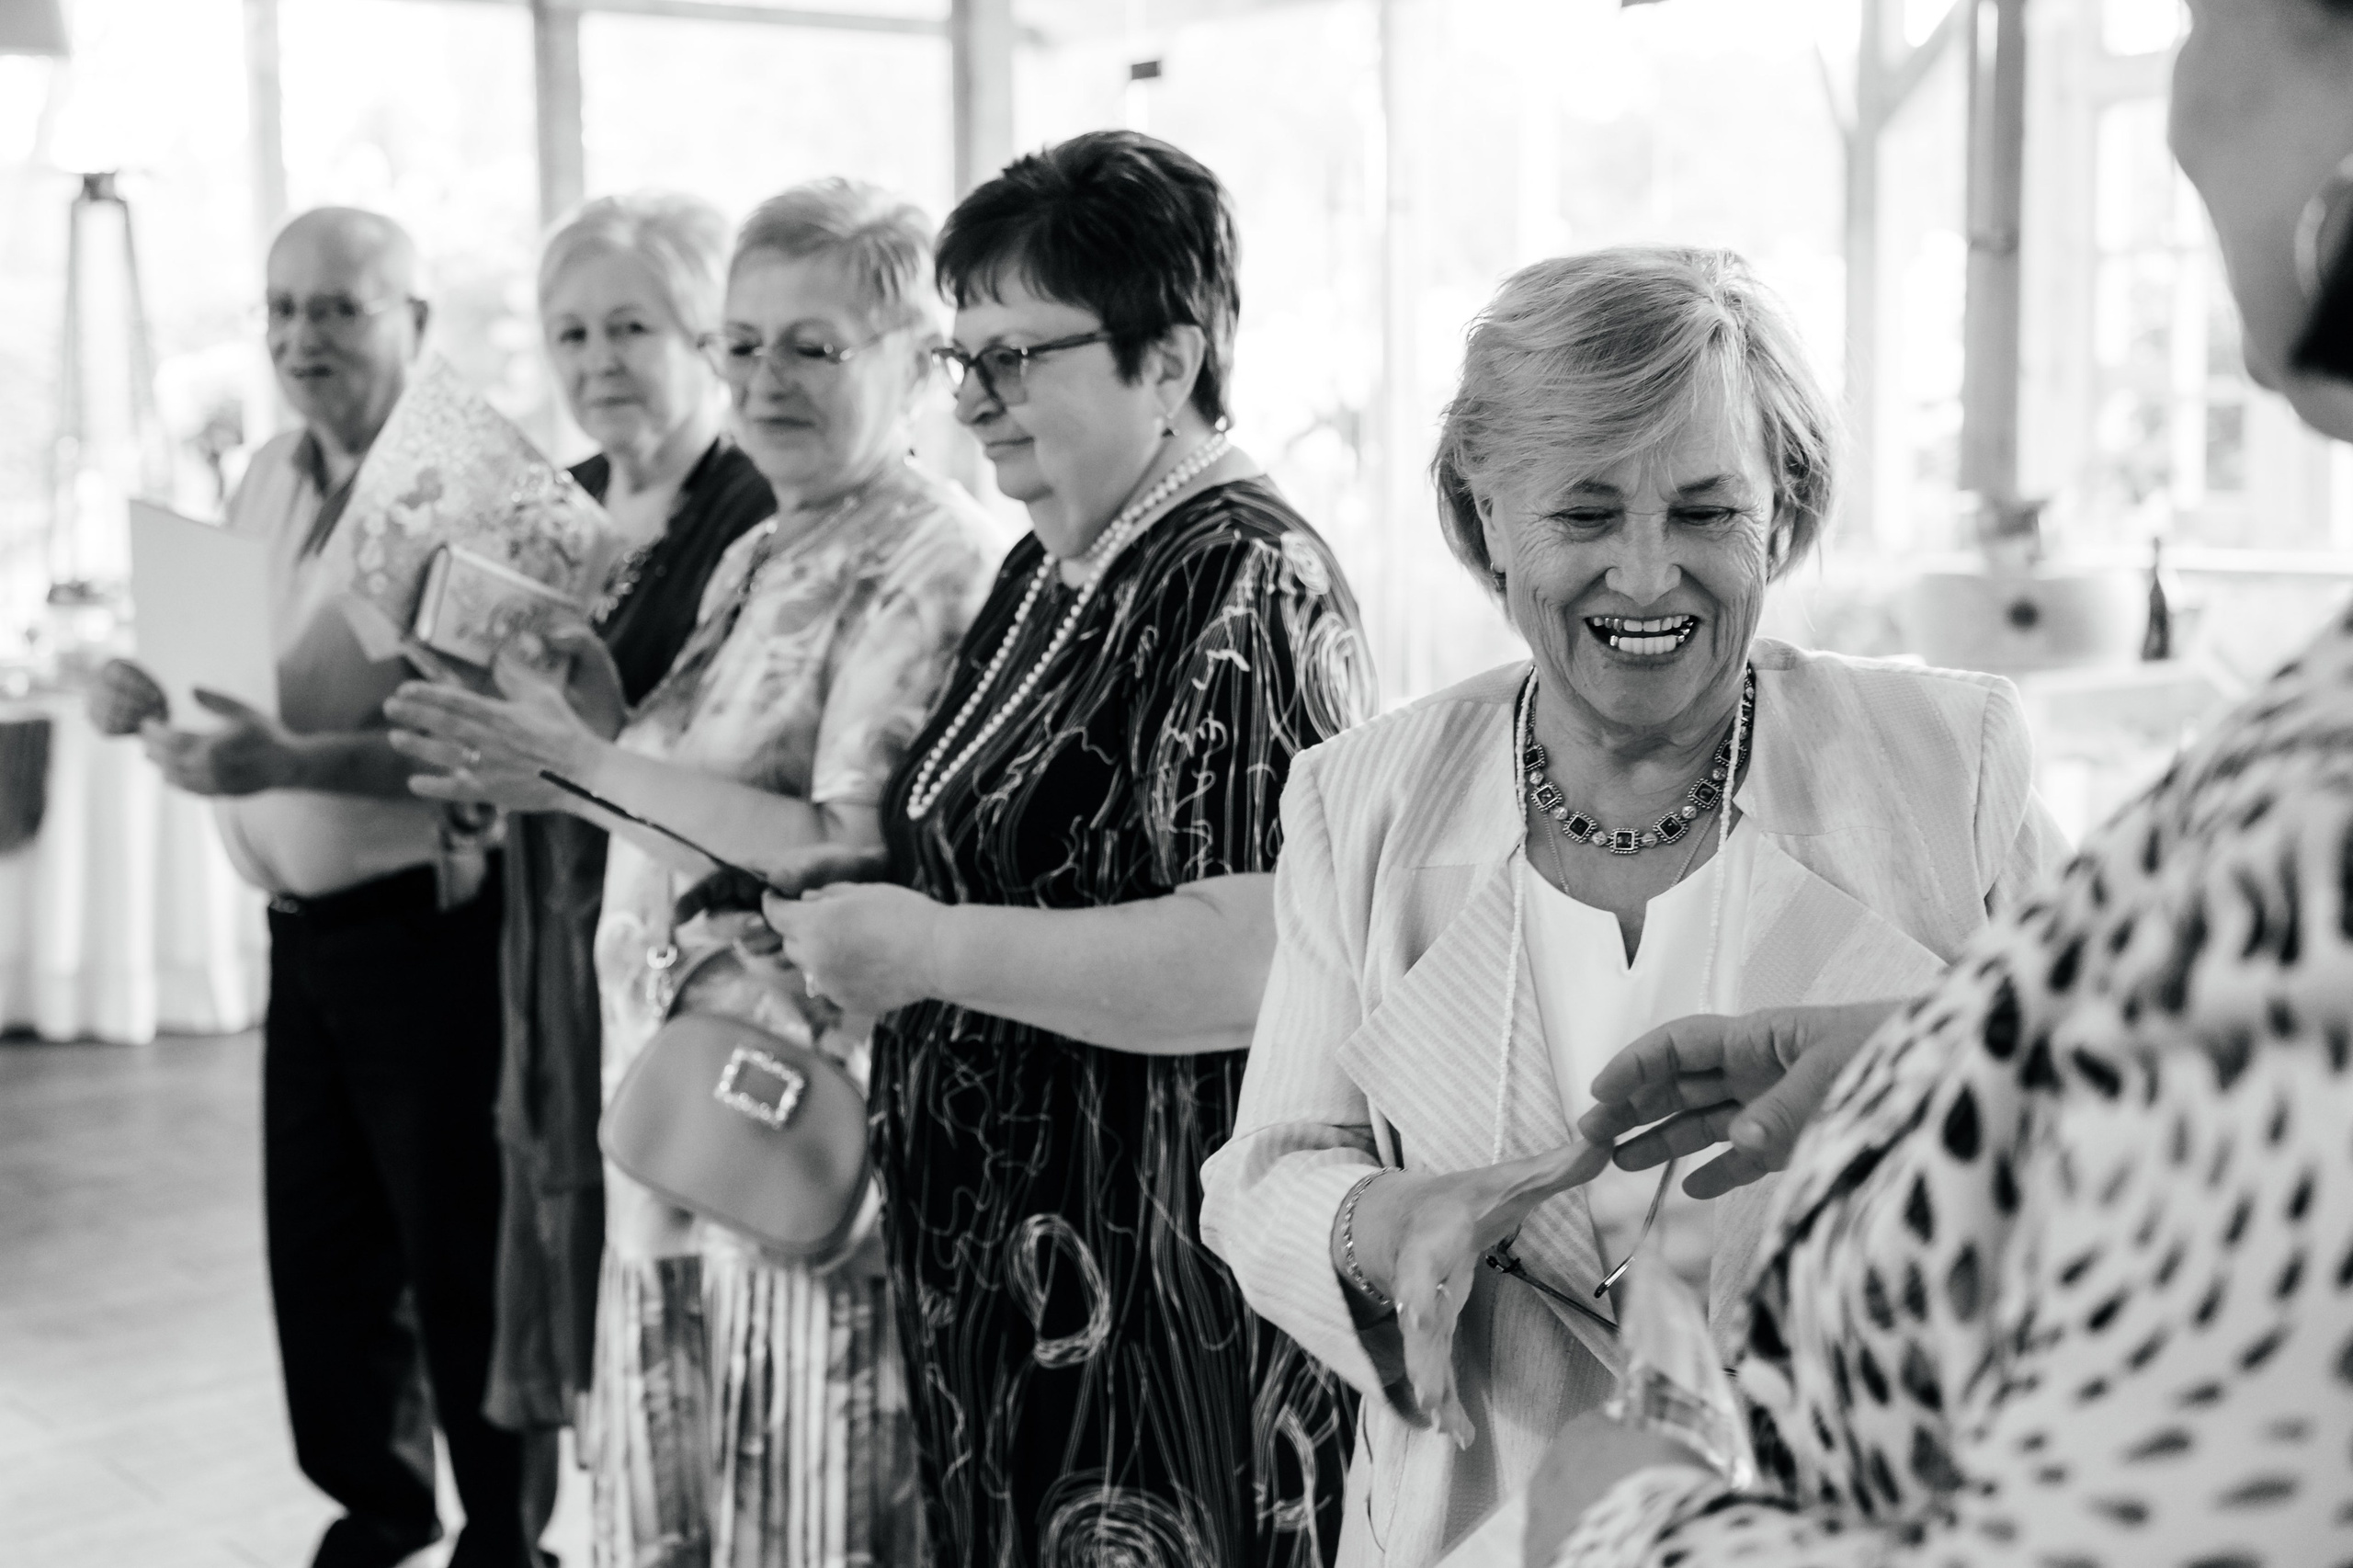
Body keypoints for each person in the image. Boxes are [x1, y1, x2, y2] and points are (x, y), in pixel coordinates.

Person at [1368, 6, 2353, 1562]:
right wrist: (1934, 1059)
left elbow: (2146, 1504)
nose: (2179, 89)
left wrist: (1628, 1514)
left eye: (2208, 11)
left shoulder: (1987, 758)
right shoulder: (1379, 790)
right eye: (1582, 508)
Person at [1196, 245, 2072, 1567]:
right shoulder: (1358, 797)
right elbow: (1267, 1171)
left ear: (1783, 512)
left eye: (1710, 512)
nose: (1651, 577)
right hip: (1486, 1522)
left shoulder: (1952, 762)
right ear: (1487, 519)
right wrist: (1384, 1225)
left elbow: (2122, 1109)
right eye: (1587, 515)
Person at [762, 131, 1375, 1568]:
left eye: (1018, 358)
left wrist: (924, 948)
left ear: (1170, 359)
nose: (974, 402)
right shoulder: (1058, 555)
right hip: (1017, 1275)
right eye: (961, 357)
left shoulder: (1245, 575)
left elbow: (1260, 952)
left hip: (1161, 1276)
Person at [385, 178, 997, 1568]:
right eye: (741, 343)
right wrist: (569, 719)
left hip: (791, 1130)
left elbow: (844, 844)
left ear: (913, 364)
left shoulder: (927, 553)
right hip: (678, 1128)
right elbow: (684, 790)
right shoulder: (773, 541)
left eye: (812, 346)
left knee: (803, 1510)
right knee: (683, 1514)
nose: (762, 378)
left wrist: (571, 763)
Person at [86, 208, 548, 1568]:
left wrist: (287, 761)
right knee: (329, 1250)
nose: (302, 338)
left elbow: (498, 744)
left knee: (460, 1251)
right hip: (305, 935)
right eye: (282, 309)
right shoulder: (275, 467)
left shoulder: (471, 479)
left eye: (338, 309)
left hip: (440, 931)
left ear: (415, 318)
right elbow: (239, 666)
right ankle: (380, 1500)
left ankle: (507, 1537)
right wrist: (143, 685)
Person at [483, 191, 773, 1456]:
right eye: (571, 335)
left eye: (630, 327)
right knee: (573, 1207)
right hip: (555, 907)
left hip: (694, 935)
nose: (597, 361)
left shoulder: (756, 505)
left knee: (687, 1245)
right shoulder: (553, 502)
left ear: (705, 334)